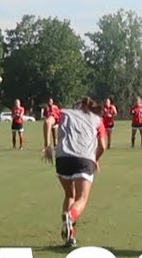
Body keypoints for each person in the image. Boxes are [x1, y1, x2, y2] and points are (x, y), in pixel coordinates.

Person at [42, 96, 107, 247]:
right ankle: (70, 217)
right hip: (84, 159)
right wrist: (95, 159)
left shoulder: (63, 112)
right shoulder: (97, 119)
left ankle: (69, 236)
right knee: (82, 198)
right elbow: (103, 145)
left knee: (69, 195)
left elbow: (47, 122)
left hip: (62, 158)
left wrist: (47, 146)